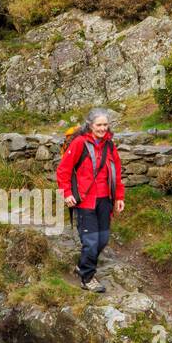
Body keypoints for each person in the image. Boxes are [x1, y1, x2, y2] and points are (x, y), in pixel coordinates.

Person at [56, 108, 125, 292]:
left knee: (102, 239)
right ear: (90, 125)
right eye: (99, 125)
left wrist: (119, 197)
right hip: (85, 201)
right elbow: (63, 170)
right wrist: (67, 193)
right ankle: (87, 278)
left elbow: (116, 172)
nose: (102, 128)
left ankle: (82, 265)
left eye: (105, 124)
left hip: (105, 200)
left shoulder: (109, 145)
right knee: (91, 241)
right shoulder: (80, 143)